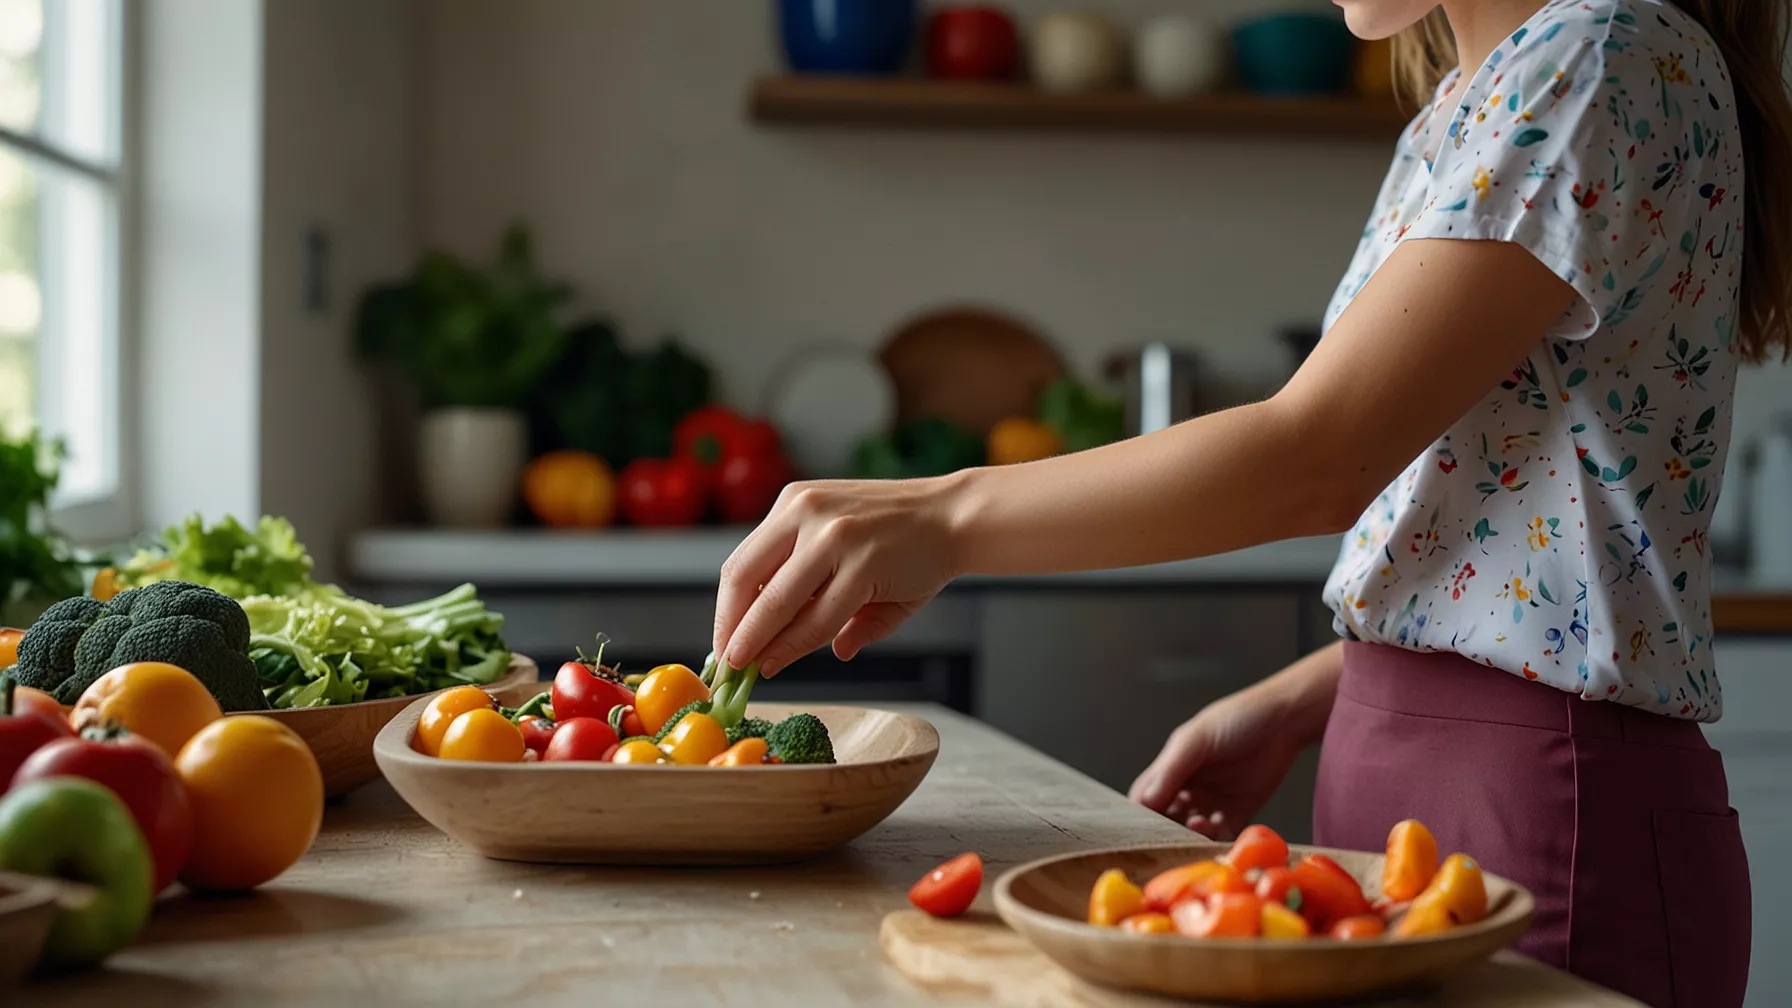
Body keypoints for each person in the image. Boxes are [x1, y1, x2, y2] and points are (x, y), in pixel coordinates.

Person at [710, 1, 1790, 1004]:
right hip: (1414, 785)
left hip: (1550, 814)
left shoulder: (1600, 51)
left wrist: (941, 518)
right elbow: (1506, 521)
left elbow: (1317, 457)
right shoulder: (1466, 103)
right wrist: (1321, 697)